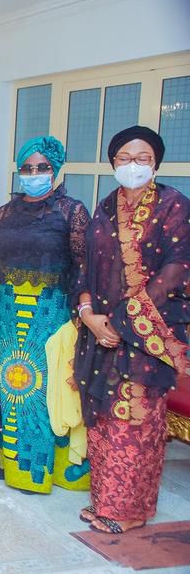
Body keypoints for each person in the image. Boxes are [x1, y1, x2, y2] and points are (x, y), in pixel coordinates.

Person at [74, 126, 190, 533]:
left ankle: (128, 509)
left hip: (146, 335)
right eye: (123, 158)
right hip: (99, 330)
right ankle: (105, 501)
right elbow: (86, 265)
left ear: (156, 162)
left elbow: (176, 271)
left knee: (133, 421)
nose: (132, 165)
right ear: (113, 163)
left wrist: (123, 324)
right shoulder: (105, 206)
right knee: (103, 418)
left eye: (142, 158)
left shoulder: (174, 206)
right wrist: (88, 314)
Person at [0, 135, 91, 493]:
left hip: (52, 311)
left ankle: (41, 467)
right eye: (27, 168)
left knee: (44, 388)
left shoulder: (71, 212)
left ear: (55, 170)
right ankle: (15, 462)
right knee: (14, 384)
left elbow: (83, 268)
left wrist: (79, 319)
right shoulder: (5, 213)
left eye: (42, 167)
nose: (33, 174)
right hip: (10, 310)